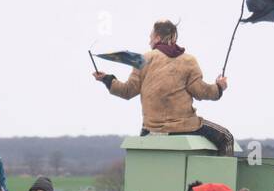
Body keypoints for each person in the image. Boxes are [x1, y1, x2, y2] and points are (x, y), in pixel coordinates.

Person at [93, 19, 234, 155]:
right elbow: (202, 92)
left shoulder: (143, 59)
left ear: (157, 38)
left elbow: (127, 92)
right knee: (226, 138)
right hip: (184, 126)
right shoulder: (188, 60)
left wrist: (107, 79)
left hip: (151, 129)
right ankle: (219, 180)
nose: (149, 41)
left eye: (150, 37)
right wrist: (219, 87)